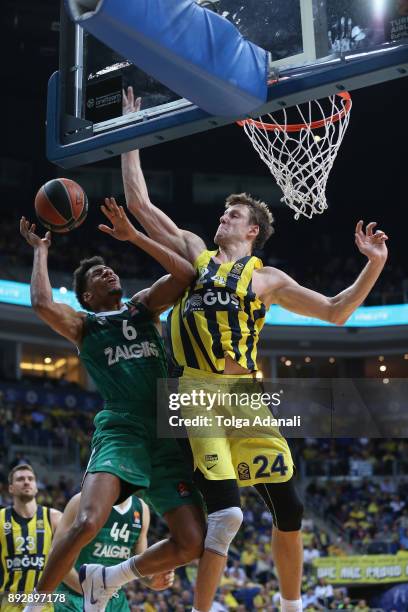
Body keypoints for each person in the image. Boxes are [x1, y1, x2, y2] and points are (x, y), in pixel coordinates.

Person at [88, 85, 390, 612]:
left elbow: (338, 311)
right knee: (226, 518)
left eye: (232, 215)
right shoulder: (193, 252)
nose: (221, 218)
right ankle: (190, 605)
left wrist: (374, 264)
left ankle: (291, 606)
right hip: (196, 392)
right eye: (223, 214)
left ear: (252, 230)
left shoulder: (267, 277)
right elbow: (139, 204)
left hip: (248, 397)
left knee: (291, 507)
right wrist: (130, 135)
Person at [19, 200, 204, 611]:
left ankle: (108, 579)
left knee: (192, 543)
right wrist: (41, 251)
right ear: (87, 295)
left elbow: (187, 274)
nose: (109, 271)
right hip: (121, 430)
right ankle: (34, 604)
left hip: (166, 435)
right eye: (98, 274)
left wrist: (134, 235)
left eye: (110, 268)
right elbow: (42, 305)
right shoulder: (86, 327)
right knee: (87, 522)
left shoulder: (143, 308)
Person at [54, 492, 162, 611]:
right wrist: (90, 593)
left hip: (114, 598)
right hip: (74, 595)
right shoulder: (82, 501)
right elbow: (55, 559)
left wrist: (152, 579)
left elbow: (141, 564)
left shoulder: (142, 509)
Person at [0, 464, 61, 611]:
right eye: (20, 479)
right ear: (11, 488)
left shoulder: (54, 518)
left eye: (30, 479)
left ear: (36, 487)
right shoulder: (1, 519)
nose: (26, 482)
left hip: (43, 606)